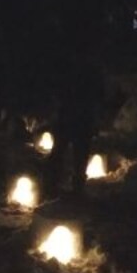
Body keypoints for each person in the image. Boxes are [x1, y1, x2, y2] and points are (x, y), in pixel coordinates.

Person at [46, 53, 105, 198]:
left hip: (78, 117)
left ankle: (66, 187)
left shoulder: (83, 71)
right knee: (67, 152)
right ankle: (56, 185)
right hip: (74, 117)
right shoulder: (84, 70)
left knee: (75, 153)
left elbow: (98, 97)